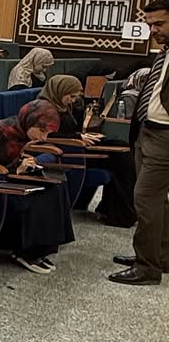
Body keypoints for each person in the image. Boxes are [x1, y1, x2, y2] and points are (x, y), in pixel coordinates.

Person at [0, 100, 75, 275]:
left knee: (55, 186)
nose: (43, 138)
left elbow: (9, 159)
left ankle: (41, 250)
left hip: (7, 178)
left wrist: (24, 162)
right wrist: (16, 168)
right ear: (30, 121)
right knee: (41, 195)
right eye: (42, 131)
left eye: (47, 134)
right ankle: (25, 252)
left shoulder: (19, 133)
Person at [111, 0, 169, 285]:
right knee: (157, 200)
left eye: (159, 23)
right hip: (146, 130)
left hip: (165, 135)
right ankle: (160, 256)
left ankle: (147, 268)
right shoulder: (164, 52)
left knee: (145, 199)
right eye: (149, 24)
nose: (153, 30)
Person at [39, 75, 137, 229]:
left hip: (77, 144)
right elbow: (45, 136)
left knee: (123, 149)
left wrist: (82, 134)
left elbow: (70, 129)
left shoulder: (63, 106)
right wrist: (77, 137)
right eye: (70, 96)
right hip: (69, 152)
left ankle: (118, 210)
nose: (73, 100)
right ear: (59, 91)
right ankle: (119, 214)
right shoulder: (44, 109)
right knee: (121, 160)